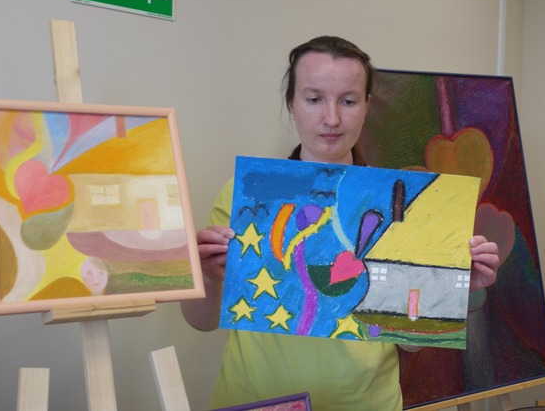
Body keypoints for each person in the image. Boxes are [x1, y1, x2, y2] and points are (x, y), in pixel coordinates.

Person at [181, 36, 501, 410]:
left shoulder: (401, 205)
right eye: (314, 99)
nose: (331, 118)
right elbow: (201, 321)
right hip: (258, 402)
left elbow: (410, 341)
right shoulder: (246, 196)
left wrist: (451, 288)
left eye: (348, 101)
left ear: (367, 106)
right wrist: (207, 277)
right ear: (291, 103)